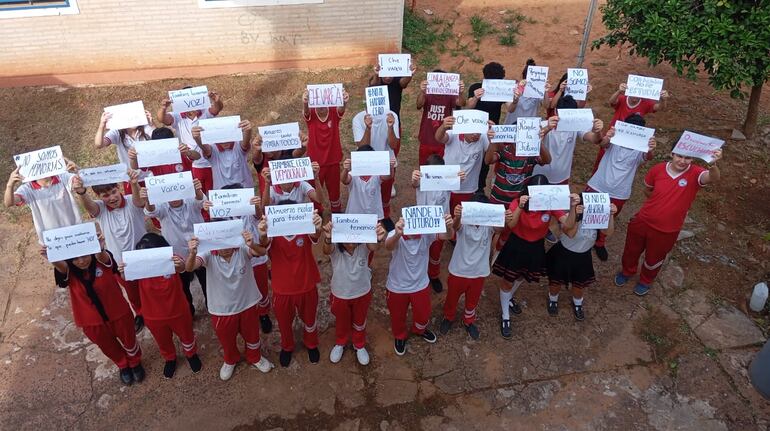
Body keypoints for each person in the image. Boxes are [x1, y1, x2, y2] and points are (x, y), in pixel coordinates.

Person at [615, 146, 722, 296]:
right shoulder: (657, 169)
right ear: (672, 153)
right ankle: (627, 271)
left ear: (693, 159)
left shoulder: (696, 173)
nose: (683, 161)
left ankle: (646, 280)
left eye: (688, 158)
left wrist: (713, 164)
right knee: (631, 250)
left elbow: (713, 178)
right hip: (642, 221)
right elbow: (648, 190)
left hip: (667, 229)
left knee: (654, 258)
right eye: (679, 156)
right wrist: (659, 204)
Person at [45, 229, 143, 386]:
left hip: (118, 312)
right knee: (108, 346)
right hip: (92, 322)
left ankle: (135, 361)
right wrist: (52, 256)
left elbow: (104, 257)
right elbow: (61, 267)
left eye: (84, 255)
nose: (82, 261)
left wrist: (100, 247)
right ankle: (123, 364)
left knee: (129, 339)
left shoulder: (101, 261)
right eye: (76, 259)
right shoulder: (70, 272)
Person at [492, 175, 575, 339]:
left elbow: (569, 224)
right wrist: (520, 207)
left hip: (535, 247)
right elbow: (511, 224)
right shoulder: (518, 202)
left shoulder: (550, 205)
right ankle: (505, 315)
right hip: (516, 245)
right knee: (508, 280)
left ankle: (508, 298)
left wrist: (572, 208)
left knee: (522, 276)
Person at [186, 231, 274, 381]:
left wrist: (252, 243)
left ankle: (255, 357)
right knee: (227, 340)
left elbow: (262, 252)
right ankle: (230, 360)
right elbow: (189, 268)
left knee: (252, 336)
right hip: (221, 310)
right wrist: (193, 253)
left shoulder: (242, 248)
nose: (225, 247)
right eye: (220, 243)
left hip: (247, 304)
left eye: (227, 242)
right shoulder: (207, 254)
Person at [120, 233, 202, 379]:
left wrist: (181, 265)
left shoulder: (172, 259)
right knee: (162, 340)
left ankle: (191, 354)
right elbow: (127, 280)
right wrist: (123, 273)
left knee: (187, 335)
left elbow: (183, 268)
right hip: (153, 316)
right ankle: (170, 358)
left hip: (178, 311)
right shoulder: (138, 268)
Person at [73, 170, 146, 331]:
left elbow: (140, 202)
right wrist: (82, 192)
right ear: (99, 197)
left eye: (114, 192)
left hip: (143, 256)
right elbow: (89, 205)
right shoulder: (100, 209)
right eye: (105, 195)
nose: (112, 198)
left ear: (119, 188)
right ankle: (140, 313)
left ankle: (151, 309)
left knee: (148, 286)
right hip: (120, 263)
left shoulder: (131, 200)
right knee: (131, 291)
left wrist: (134, 183)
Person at [257, 205, 324, 367]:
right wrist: (263, 234)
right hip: (282, 289)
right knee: (284, 322)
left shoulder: (305, 229)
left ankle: (311, 344)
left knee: (309, 319)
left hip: (306, 285)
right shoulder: (272, 235)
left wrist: (317, 226)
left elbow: (315, 235)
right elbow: (263, 243)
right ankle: (287, 347)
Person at [585, 113, 657, 261]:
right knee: (589, 214)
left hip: (619, 192)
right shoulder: (614, 140)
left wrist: (650, 148)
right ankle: (585, 239)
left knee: (609, 217)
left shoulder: (640, 149)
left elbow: (649, 157)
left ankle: (600, 242)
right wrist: (609, 136)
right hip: (598, 184)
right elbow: (603, 144)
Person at [439, 196, 511, 339]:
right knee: (452, 298)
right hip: (458, 271)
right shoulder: (463, 224)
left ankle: (468, 320)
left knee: (472, 300)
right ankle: (448, 317)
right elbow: (455, 227)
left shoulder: (489, 226)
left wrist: (504, 219)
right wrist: (458, 216)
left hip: (479, 272)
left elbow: (499, 228)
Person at [384, 214, 454, 356]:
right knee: (397, 316)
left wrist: (448, 226)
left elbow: (447, 235)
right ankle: (400, 336)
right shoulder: (395, 233)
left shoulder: (426, 235)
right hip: (397, 286)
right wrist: (397, 234)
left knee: (423, 314)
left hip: (420, 285)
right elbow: (388, 246)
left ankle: (419, 329)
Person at [321, 220, 387, 365]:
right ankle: (340, 342)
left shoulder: (364, 246)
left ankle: (359, 344)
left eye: (354, 238)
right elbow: (326, 249)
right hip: (340, 294)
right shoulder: (335, 250)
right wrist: (327, 237)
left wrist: (376, 236)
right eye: (346, 239)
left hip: (362, 292)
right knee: (342, 320)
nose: (350, 243)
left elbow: (374, 246)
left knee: (359, 321)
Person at [141, 178, 207, 316]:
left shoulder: (191, 199)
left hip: (200, 252)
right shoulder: (161, 206)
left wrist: (197, 189)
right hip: (177, 256)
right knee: (183, 288)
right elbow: (151, 211)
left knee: (207, 282)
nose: (174, 197)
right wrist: (148, 199)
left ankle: (211, 306)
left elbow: (201, 201)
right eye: (170, 194)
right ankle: (189, 312)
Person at [545, 195, 617, 321]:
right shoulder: (568, 217)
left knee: (579, 286)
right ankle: (553, 299)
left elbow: (608, 232)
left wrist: (610, 215)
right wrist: (577, 216)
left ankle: (578, 303)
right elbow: (570, 232)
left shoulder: (596, 220)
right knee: (556, 282)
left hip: (583, 257)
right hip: (563, 254)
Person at [410, 155, 466, 293]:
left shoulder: (447, 182)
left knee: (435, 252)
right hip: (422, 223)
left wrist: (460, 177)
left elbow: (458, 182)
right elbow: (414, 183)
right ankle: (419, 274)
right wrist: (415, 177)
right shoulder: (421, 181)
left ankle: (433, 275)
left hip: (440, 224)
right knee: (419, 250)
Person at [592, 81, 669, 172]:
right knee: (602, 159)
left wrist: (663, 99)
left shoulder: (646, 103)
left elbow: (659, 107)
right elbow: (612, 101)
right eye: (633, 94)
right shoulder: (622, 98)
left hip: (631, 139)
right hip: (613, 135)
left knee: (622, 164)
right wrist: (619, 92)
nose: (635, 98)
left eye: (638, 95)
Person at [158, 88, 224, 194]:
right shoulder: (177, 116)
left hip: (213, 162)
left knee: (215, 194)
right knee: (199, 195)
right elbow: (162, 119)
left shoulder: (205, 111)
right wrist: (163, 108)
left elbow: (217, 108)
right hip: (194, 164)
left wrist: (216, 101)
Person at [4, 162, 81, 244]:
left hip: (76, 234)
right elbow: (9, 203)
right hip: (51, 241)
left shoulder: (63, 177)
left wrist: (78, 171)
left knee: (85, 257)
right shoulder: (27, 189)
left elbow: (80, 182)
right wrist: (9, 185)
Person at [533, 96, 603, 186]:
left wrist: (598, 131)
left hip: (562, 177)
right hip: (540, 175)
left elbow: (594, 139)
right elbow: (533, 140)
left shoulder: (576, 127)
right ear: (556, 111)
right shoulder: (543, 124)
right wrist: (548, 128)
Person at [302, 87, 349, 214]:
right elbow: (305, 112)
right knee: (315, 190)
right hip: (315, 163)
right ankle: (318, 213)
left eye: (324, 103)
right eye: (318, 104)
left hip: (332, 161)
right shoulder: (311, 114)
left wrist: (344, 101)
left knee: (334, 192)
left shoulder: (334, 112)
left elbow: (342, 109)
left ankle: (337, 213)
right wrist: (305, 102)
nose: (321, 106)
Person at [434, 115, 493, 212]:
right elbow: (439, 138)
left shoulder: (483, 138)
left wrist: (493, 140)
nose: (475, 135)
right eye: (472, 132)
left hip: (469, 189)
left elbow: (490, 159)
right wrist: (443, 127)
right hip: (447, 186)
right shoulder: (453, 134)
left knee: (461, 220)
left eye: (478, 132)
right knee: (445, 216)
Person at [352, 112, 400, 230]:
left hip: (385, 162)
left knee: (385, 193)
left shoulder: (392, 116)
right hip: (366, 163)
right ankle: (363, 217)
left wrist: (390, 127)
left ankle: (385, 216)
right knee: (366, 193)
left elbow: (393, 144)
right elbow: (361, 146)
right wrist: (368, 128)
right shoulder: (358, 118)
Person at [465, 61, 507, 195]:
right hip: (475, 129)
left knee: (486, 160)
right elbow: (469, 106)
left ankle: (480, 187)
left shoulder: (501, 90)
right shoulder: (475, 87)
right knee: (472, 157)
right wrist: (476, 97)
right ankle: (468, 183)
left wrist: (515, 98)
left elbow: (511, 107)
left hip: (490, 131)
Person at [94, 110, 155, 194]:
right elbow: (98, 144)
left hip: (151, 176)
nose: (132, 119)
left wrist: (152, 125)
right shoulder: (117, 132)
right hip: (131, 179)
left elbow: (161, 141)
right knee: (137, 205)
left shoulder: (146, 127)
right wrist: (102, 125)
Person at [416, 69, 466, 165]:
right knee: (424, 167)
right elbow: (419, 105)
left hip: (443, 139)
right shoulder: (427, 94)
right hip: (426, 138)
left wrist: (460, 92)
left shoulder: (450, 95)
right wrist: (422, 92)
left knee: (442, 167)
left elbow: (462, 103)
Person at [191, 119, 255, 190]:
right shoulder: (213, 149)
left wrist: (248, 130)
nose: (225, 141)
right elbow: (205, 149)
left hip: (244, 191)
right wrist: (197, 138)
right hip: (222, 195)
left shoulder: (238, 145)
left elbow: (245, 144)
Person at [342, 145, 395, 226]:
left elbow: (389, 176)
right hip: (356, 213)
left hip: (372, 213)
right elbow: (344, 180)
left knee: (372, 234)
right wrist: (345, 170)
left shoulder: (376, 174)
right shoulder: (353, 174)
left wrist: (391, 168)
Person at [502, 59, 551, 126]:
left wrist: (545, 92)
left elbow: (546, 106)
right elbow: (510, 109)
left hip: (529, 126)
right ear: (524, 78)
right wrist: (516, 99)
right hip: (512, 124)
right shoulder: (514, 87)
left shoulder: (539, 90)